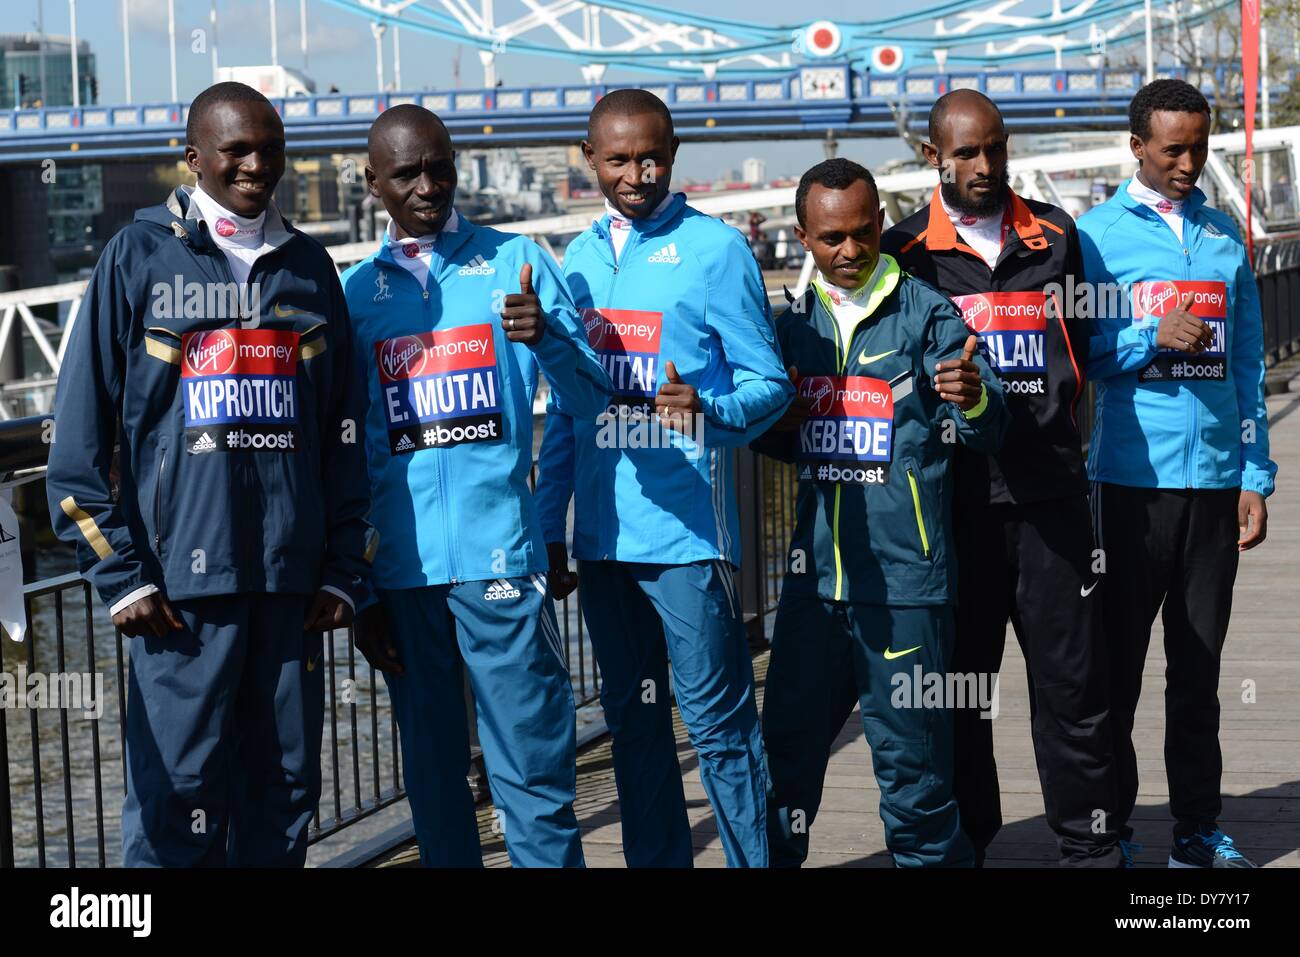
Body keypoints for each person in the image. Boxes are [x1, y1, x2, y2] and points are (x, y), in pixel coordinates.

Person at [45, 82, 373, 866]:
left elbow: (344, 431)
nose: (258, 165)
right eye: (237, 150)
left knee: (287, 792)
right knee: (177, 802)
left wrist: (340, 569)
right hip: (177, 598)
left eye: (271, 149)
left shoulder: (308, 267)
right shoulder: (138, 257)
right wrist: (120, 576)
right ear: (193, 159)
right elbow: (78, 441)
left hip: (290, 589)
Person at [343, 105, 611, 867]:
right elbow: (346, 449)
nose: (429, 185)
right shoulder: (357, 293)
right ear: (373, 182)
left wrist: (550, 337)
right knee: (433, 780)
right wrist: (362, 590)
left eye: (441, 166)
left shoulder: (517, 259)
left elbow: (589, 401)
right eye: (407, 172)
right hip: (404, 574)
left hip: (501, 564)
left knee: (532, 773)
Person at [534, 89, 793, 868]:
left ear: (673, 153)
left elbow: (771, 383)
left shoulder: (716, 249)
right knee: (634, 721)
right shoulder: (574, 263)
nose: (637, 173)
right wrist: (552, 526)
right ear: (590, 160)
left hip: (687, 536)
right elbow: (567, 417)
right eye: (618, 159)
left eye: (652, 156)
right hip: (604, 541)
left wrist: (705, 408)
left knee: (717, 728)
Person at [881, 89, 1121, 867]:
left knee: (1073, 688)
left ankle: (1089, 845)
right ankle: (972, 845)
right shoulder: (903, 250)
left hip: (1051, 496)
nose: (985, 166)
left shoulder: (1056, 234)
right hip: (953, 506)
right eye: (967, 153)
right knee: (958, 695)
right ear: (932, 157)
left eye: (996, 148)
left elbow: (1083, 347)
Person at [753, 158, 1007, 867]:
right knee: (783, 774)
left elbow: (991, 427)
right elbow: (776, 442)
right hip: (813, 592)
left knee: (915, 783)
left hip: (905, 591)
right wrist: (778, 412)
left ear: (878, 225)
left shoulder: (928, 313)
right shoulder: (788, 329)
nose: (850, 250)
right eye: (831, 236)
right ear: (803, 235)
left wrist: (974, 395)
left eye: (863, 232)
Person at [1078, 78, 1276, 868]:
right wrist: (1149, 337)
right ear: (1137, 147)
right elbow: (1080, 357)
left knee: (1198, 674)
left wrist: (1255, 473)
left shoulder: (1225, 237)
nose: (1189, 162)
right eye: (1173, 149)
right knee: (1116, 676)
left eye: (1200, 146)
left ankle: (1196, 831)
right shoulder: (1093, 238)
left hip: (1213, 487)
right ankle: (1113, 831)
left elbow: (1251, 365)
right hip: (1128, 485)